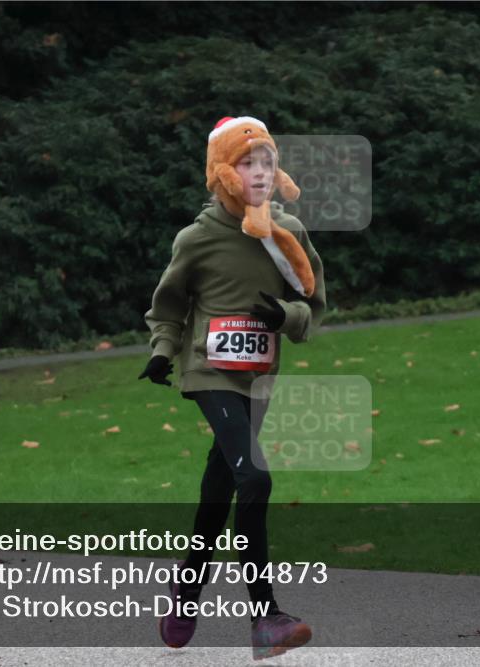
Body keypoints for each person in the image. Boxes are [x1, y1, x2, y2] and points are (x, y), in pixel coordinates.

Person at [140, 116, 326, 661]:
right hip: (208, 372)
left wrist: (284, 316)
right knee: (255, 478)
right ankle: (266, 618)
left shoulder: (287, 232)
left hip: (258, 378)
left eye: (268, 162)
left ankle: (184, 595)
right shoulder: (196, 239)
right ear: (223, 171)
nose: (260, 172)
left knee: (218, 492)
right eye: (248, 162)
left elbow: (313, 305)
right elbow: (168, 305)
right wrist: (162, 350)